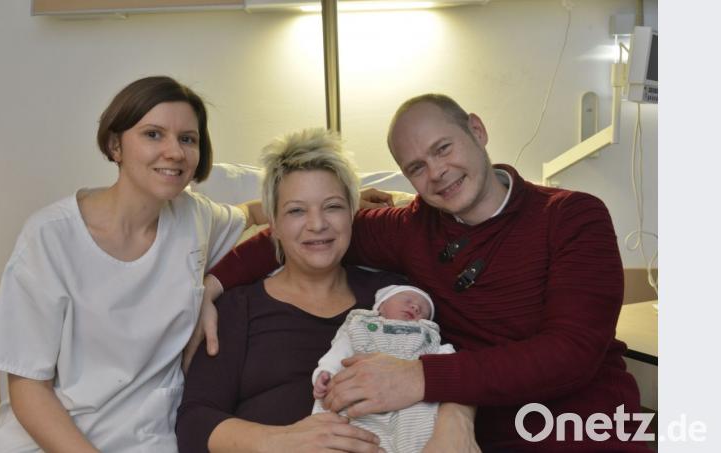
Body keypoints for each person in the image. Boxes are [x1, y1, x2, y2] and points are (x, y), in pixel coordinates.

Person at [203, 94, 652, 451]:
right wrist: (210, 287)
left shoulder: (571, 217)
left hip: (583, 428)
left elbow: (571, 353)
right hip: (476, 435)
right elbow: (305, 233)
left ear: (477, 130)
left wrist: (421, 378)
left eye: (443, 148)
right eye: (416, 167)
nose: (437, 173)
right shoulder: (409, 228)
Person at [0, 76, 267, 452]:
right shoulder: (50, 237)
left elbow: (258, 212)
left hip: (150, 439)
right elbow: (28, 387)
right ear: (116, 145)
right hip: (51, 442)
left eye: (187, 139)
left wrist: (213, 286)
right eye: (153, 135)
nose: (175, 152)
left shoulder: (195, 216)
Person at [176, 128, 480, 453]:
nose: (317, 224)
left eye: (332, 206)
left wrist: (456, 418)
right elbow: (195, 423)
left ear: (353, 213)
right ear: (274, 225)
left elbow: (460, 362)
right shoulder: (238, 308)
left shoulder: (397, 297)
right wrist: (282, 441)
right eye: (296, 210)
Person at [312, 284, 455, 453]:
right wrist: (326, 372)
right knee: (346, 433)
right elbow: (339, 353)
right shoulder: (360, 326)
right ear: (381, 305)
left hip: (411, 406)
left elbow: (448, 363)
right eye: (407, 300)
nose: (415, 307)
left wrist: (448, 357)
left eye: (423, 310)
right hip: (360, 399)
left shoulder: (426, 336)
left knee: (420, 436)